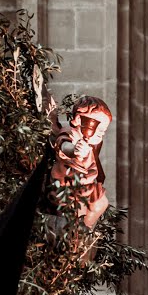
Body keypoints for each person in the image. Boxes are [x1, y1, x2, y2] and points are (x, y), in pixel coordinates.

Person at [48, 95, 112, 228]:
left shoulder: (90, 144)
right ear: (78, 119)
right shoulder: (71, 134)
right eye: (98, 129)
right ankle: (76, 233)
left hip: (85, 184)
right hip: (68, 186)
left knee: (101, 202)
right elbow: (64, 146)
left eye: (103, 132)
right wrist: (75, 150)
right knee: (77, 208)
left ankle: (84, 231)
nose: (100, 134)